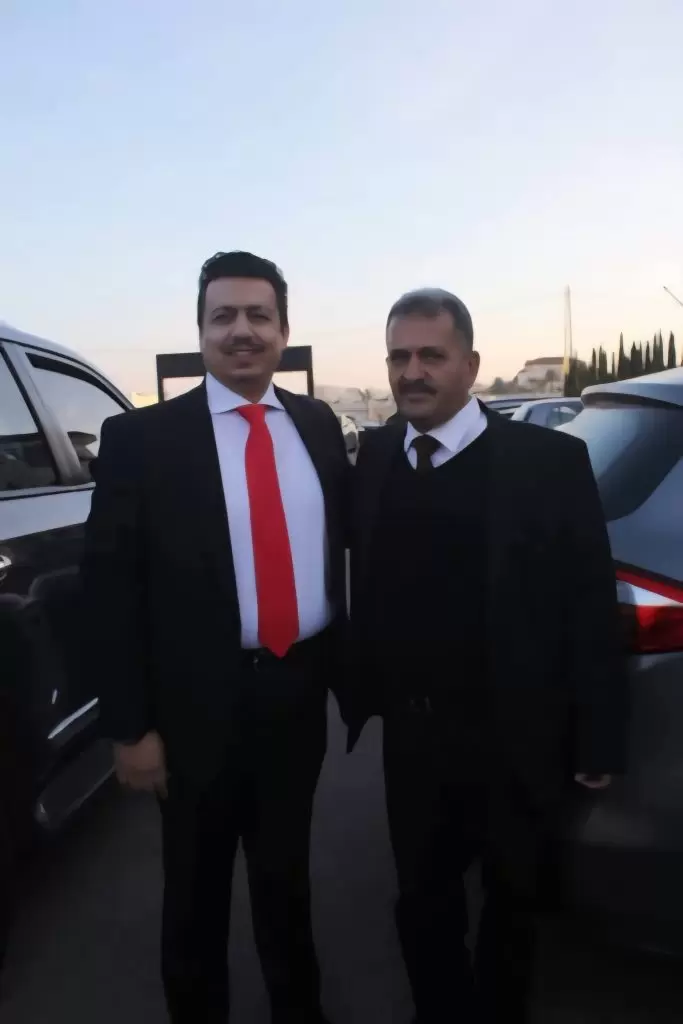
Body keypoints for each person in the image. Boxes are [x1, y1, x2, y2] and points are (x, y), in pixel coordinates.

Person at [82, 251, 350, 1024]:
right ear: (200, 331)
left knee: (285, 879)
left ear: (283, 330)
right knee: (195, 893)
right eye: (222, 316)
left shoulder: (317, 424)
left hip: (296, 693)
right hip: (193, 707)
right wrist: (130, 728)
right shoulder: (141, 439)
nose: (241, 331)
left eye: (257, 315)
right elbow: (111, 593)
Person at [349, 288, 627, 1024]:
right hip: (413, 739)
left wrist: (597, 734)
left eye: (430, 356)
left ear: (470, 365)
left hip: (515, 736)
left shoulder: (549, 462)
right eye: (399, 357)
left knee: (513, 903)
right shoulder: (376, 456)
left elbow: (588, 604)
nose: (412, 372)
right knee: (422, 902)